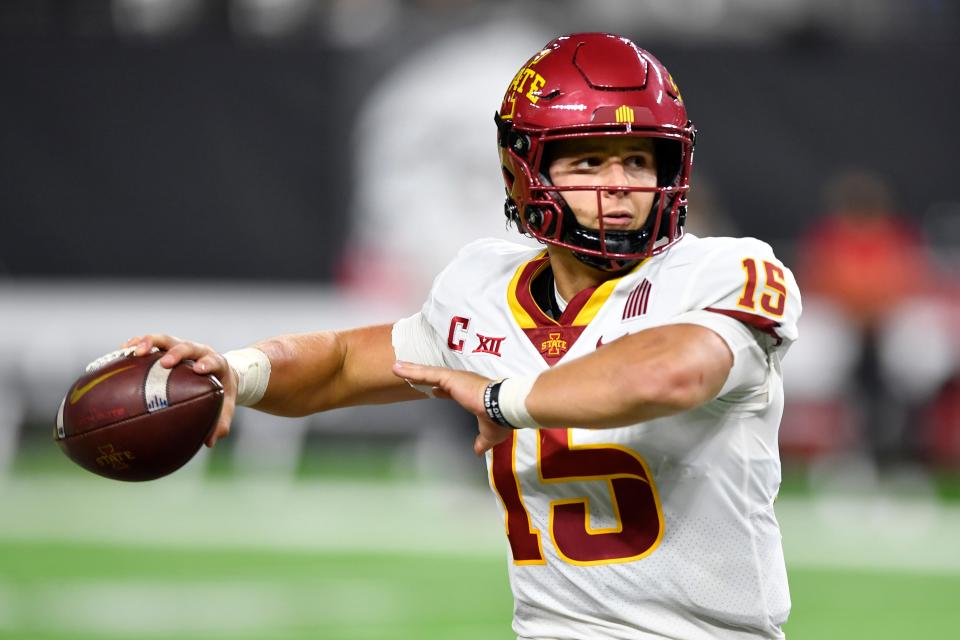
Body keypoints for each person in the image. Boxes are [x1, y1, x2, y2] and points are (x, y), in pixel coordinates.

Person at [121, 33, 801, 639]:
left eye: (637, 161)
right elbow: (339, 366)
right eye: (587, 164)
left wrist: (500, 398)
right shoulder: (483, 285)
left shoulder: (727, 269)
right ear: (520, 172)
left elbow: (668, 375)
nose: (618, 188)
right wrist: (233, 373)